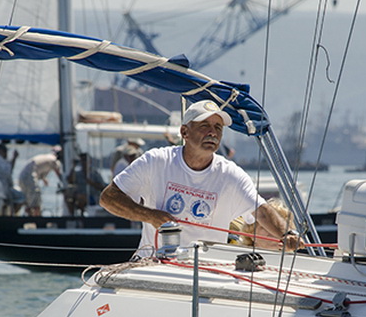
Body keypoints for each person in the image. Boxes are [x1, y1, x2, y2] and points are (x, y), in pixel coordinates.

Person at [100, 99, 305, 255]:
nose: (212, 133)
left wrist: (287, 235)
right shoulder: (156, 161)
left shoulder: (231, 174)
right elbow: (108, 198)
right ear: (184, 132)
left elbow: (262, 211)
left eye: (218, 128)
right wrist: (150, 216)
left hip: (207, 269)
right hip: (154, 262)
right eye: (204, 126)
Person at [18, 146, 63, 216]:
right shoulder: (54, 160)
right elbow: (59, 174)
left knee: (28, 201)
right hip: (30, 177)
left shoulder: (47, 157)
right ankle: (37, 221)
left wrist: (44, 179)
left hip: (22, 177)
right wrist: (65, 183)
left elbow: (39, 168)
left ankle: (29, 219)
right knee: (36, 200)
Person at [0, 143, 22, 214]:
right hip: (2, 189)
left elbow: (8, 169)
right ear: (0, 151)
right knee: (22, 198)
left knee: (7, 202)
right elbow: (8, 173)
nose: (6, 154)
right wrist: (14, 158)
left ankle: (7, 214)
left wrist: (14, 158)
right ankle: (13, 215)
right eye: (5, 151)